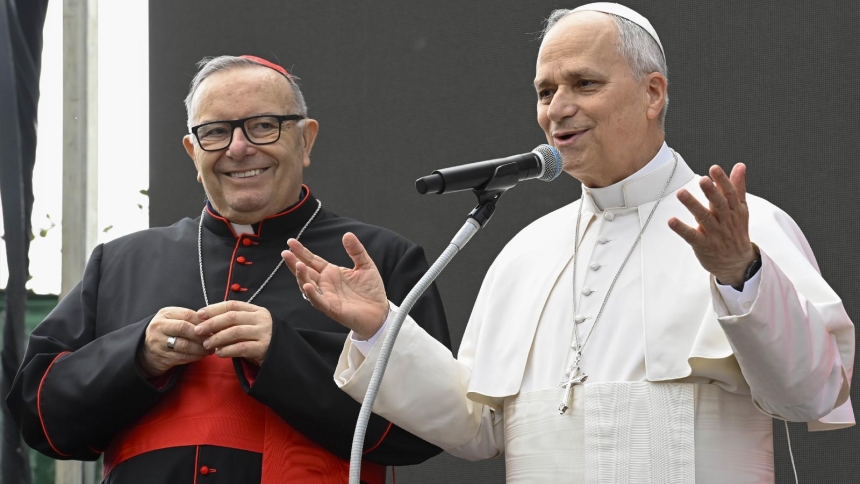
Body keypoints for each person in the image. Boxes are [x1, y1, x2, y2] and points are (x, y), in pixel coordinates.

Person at [281, 4, 855, 483]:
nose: (557, 109)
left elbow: (810, 394)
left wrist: (741, 273)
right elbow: (478, 429)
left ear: (653, 93)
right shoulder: (527, 252)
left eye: (584, 83)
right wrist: (382, 330)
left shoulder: (742, 225)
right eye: (544, 91)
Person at [6, 55, 450, 483]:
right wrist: (135, 355)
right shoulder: (119, 262)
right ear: (192, 151)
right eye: (216, 131)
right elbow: (37, 414)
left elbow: (429, 426)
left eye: (263, 126)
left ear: (306, 140)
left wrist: (282, 354)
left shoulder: (381, 260)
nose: (239, 148)